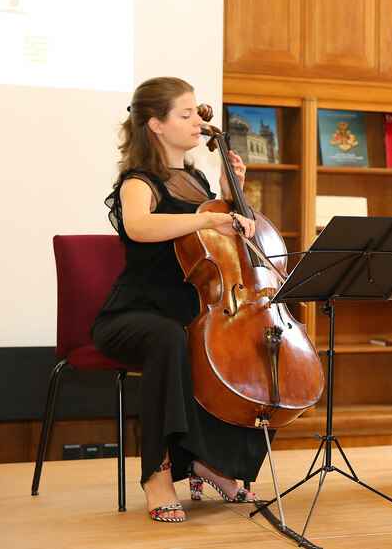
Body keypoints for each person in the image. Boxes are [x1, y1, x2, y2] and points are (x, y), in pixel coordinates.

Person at [92, 76, 269, 522]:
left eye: (197, 113)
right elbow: (139, 227)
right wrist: (205, 221)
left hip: (189, 307)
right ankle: (158, 472)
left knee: (224, 347)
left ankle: (212, 462)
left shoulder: (196, 179)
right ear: (155, 124)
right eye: (186, 114)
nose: (199, 122)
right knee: (171, 339)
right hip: (134, 313)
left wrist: (230, 199)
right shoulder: (139, 181)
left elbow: (213, 251)